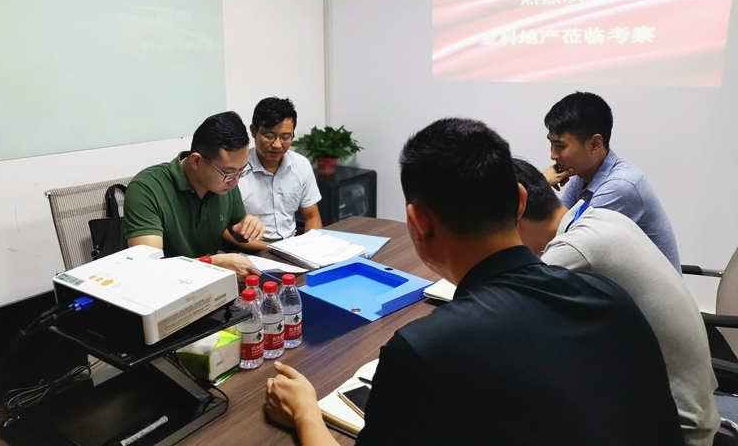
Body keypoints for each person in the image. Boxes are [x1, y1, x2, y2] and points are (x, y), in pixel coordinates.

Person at [264, 117, 684, 446]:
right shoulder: (610, 298)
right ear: (521, 201)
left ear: (417, 222)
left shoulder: (422, 351)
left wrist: (305, 412)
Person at [514, 157, 719, 446]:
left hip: (676, 428)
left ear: (517, 212)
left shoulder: (575, 248)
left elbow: (506, 313)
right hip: (691, 405)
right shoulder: (600, 217)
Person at [542, 91, 681, 272]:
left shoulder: (621, 185)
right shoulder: (582, 178)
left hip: (640, 291)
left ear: (595, 144)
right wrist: (542, 184)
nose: (553, 155)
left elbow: (568, 250)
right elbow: (551, 231)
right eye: (551, 144)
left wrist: (539, 187)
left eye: (560, 146)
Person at [122, 111, 265, 283]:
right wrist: (212, 263)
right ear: (196, 161)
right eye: (229, 173)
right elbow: (148, 267)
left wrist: (247, 229)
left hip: (209, 284)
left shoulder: (225, 185)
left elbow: (237, 231)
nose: (235, 181)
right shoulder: (147, 189)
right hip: (162, 288)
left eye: (241, 171)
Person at [229, 97, 321, 251]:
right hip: (249, 252)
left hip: (292, 248)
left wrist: (311, 248)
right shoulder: (235, 171)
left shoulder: (301, 165)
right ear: (253, 131)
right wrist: (277, 250)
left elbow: (312, 216)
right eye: (269, 136)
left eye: (285, 137)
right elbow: (224, 231)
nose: (277, 145)